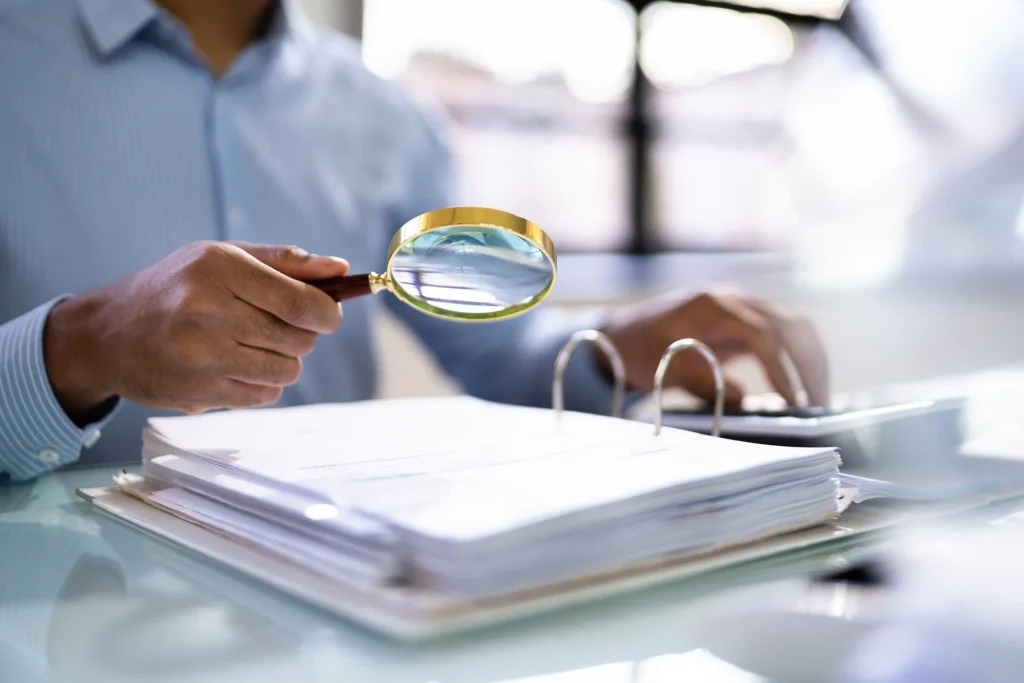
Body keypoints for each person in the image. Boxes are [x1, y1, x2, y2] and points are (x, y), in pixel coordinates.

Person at [0, 0, 829, 483]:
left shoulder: (384, 112)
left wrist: (617, 349)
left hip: (341, 592)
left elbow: (495, 352)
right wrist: (78, 348)